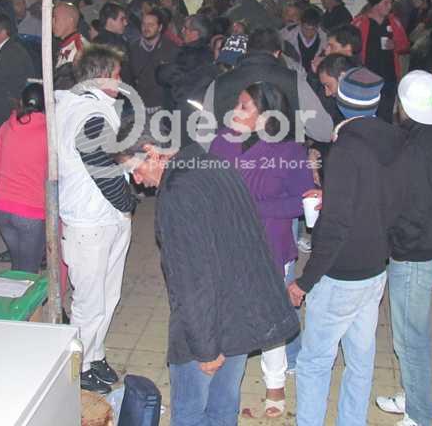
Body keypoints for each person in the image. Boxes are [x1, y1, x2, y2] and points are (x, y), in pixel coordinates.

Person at [116, 127, 299, 426]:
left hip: (208, 329)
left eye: (133, 169)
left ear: (151, 152)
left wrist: (205, 350)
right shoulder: (214, 164)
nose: (136, 180)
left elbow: (192, 280)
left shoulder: (177, 194)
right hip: (241, 316)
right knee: (224, 408)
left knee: (191, 414)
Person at [288, 67, 405, 426]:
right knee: (360, 359)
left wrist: (305, 281)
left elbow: (336, 227)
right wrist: (333, 194)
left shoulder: (345, 149)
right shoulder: (395, 140)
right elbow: (380, 195)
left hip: (341, 274)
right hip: (375, 268)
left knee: (314, 362)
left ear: (340, 100)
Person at [209, 82, 314, 419]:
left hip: (269, 244)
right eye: (237, 104)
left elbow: (303, 201)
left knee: (270, 317)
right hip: (226, 243)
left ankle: (275, 382)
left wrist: (257, 208)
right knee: (226, 313)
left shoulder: (289, 151)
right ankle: (226, 380)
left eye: (244, 106)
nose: (235, 111)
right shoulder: (222, 141)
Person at [376, 70, 432, 426]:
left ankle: (419, 415)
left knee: (410, 339)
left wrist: (397, 246)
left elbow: (414, 209)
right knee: (411, 333)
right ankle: (412, 395)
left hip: (415, 254)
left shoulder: (417, 147)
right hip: (431, 247)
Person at [55, 45, 137, 394]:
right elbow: (100, 166)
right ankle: (80, 367)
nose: (121, 81)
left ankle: (94, 353)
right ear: (102, 77)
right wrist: (127, 200)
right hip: (91, 221)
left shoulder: (89, 108)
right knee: (89, 301)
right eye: (117, 75)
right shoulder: (87, 113)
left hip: (102, 217)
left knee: (106, 295)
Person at [202, 27, 334, 146]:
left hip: (228, 160)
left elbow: (204, 136)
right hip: (282, 161)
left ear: (246, 50)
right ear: (277, 53)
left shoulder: (219, 83)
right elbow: (324, 132)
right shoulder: (294, 80)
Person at [0, 82, 47, 272]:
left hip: (2, 208)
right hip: (30, 211)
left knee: (18, 266)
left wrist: (9, 179)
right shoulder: (50, 131)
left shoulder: (7, 126)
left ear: (21, 102)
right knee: (28, 272)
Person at [352, 0, 410, 122]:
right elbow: (349, 44)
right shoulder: (360, 22)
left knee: (386, 112)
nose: (389, 6)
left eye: (391, 3)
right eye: (386, 3)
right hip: (366, 76)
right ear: (376, 5)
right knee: (367, 113)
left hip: (389, 76)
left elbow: (405, 45)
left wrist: (395, 45)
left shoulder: (394, 22)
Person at [0, 11, 37, 130]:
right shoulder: (4, 52)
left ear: (3, 33)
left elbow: (14, 94)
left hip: (12, 125)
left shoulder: (12, 54)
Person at [127, 7, 179, 114]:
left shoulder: (171, 49)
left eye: (151, 25)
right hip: (138, 106)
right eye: (144, 24)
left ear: (160, 27)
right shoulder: (132, 48)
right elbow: (127, 77)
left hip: (162, 108)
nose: (146, 28)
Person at [53, 1, 88, 90]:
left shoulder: (79, 47)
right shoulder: (63, 44)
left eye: (56, 18)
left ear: (70, 20)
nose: (52, 22)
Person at [283, 5, 326, 74]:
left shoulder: (326, 41)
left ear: (318, 26)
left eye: (313, 29)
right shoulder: (285, 37)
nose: (309, 33)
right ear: (300, 23)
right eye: (306, 29)